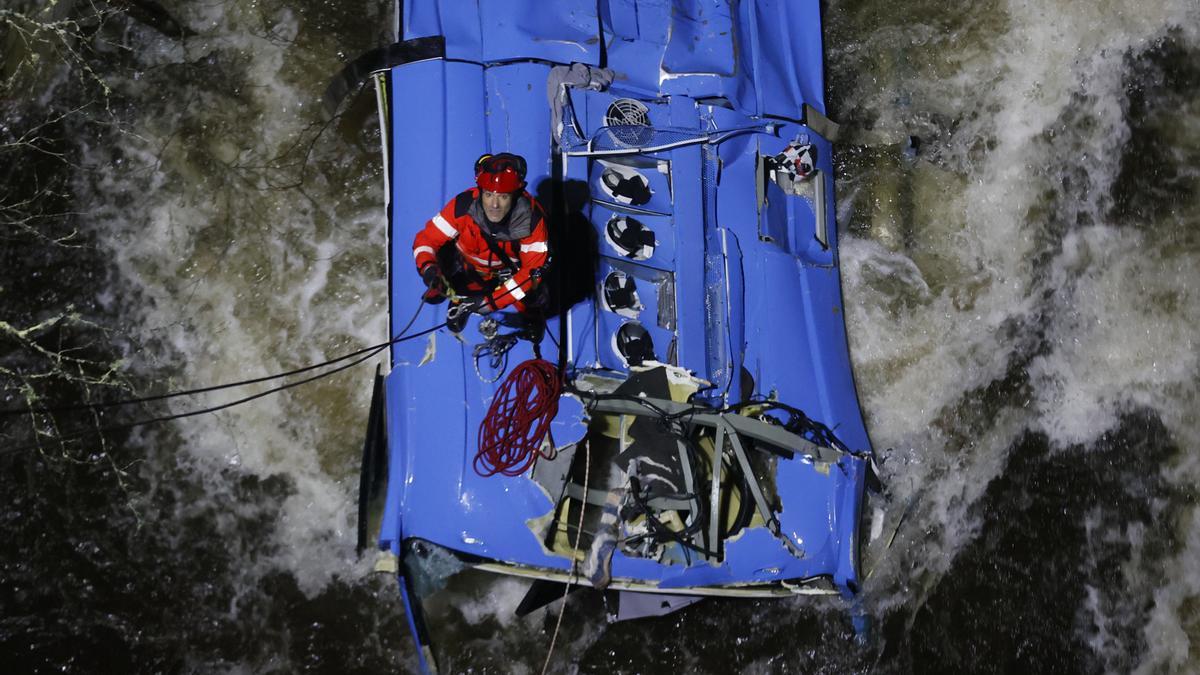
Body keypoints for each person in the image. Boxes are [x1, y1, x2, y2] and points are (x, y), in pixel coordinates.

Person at [412, 153, 550, 333]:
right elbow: (427, 239)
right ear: (480, 191)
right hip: (467, 266)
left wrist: (491, 303)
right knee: (448, 273)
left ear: (515, 195)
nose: (494, 205)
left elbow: (530, 274)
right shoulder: (462, 206)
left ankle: (531, 320)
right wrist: (428, 267)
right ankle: (454, 298)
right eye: (488, 194)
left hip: (506, 273)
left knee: (533, 294)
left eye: (503, 196)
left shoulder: (532, 222)